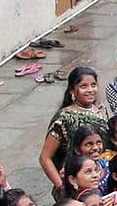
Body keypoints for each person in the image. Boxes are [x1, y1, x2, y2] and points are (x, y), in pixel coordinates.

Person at [39, 67, 109, 196]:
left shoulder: (101, 110)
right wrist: (61, 186)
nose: (90, 90)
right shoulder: (65, 117)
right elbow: (45, 157)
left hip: (101, 174)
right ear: (72, 91)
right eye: (84, 86)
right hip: (74, 182)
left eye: (93, 85)